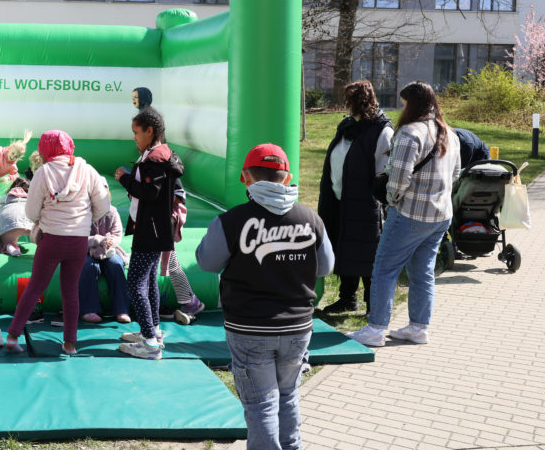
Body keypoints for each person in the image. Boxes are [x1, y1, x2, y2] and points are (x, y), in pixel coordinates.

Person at [196, 143, 334, 450]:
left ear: (245, 177)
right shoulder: (311, 219)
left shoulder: (230, 221)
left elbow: (206, 262)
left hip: (249, 328)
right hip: (297, 327)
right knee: (287, 396)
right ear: (288, 178)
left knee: (262, 405)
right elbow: (326, 266)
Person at [348, 81, 460, 347]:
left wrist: (390, 202)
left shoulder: (410, 133)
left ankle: (376, 329)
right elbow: (455, 174)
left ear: (412, 104)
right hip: (441, 215)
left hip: (410, 214)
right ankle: (419, 328)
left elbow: (398, 179)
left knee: (384, 269)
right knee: (423, 272)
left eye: (404, 103)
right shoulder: (450, 133)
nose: (401, 109)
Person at [5, 130, 110, 355]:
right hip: (78, 241)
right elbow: (103, 206)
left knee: (35, 287)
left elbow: (31, 212)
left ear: (46, 150)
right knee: (70, 290)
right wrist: (84, 219)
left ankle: (13, 336)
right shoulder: (87, 170)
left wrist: (46, 217)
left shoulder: (43, 172)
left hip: (51, 239)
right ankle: (70, 344)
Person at [318, 81, 393, 314]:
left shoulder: (382, 130)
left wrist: (375, 198)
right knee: (345, 248)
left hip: (366, 204)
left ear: (358, 101)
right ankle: (347, 298)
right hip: (339, 200)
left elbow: (384, 171)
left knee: (368, 254)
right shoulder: (347, 126)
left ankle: (373, 306)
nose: (345, 104)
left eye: (348, 100)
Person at [114, 107, 184, 359]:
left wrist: (125, 178)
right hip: (154, 228)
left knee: (135, 284)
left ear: (150, 131)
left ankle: (150, 344)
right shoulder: (160, 154)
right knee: (149, 281)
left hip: (151, 230)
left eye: (137, 132)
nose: (134, 137)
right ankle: (153, 331)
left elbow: (150, 192)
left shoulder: (155, 158)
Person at [160, 181, 206, 324]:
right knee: (169, 262)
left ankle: (190, 301)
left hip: (164, 220)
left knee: (168, 261)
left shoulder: (168, 171)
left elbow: (180, 196)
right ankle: (189, 301)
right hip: (158, 219)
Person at [78, 202, 131, 324]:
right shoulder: (81, 211)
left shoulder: (112, 211)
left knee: (116, 264)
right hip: (85, 250)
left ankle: (121, 309)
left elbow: (117, 234)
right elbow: (78, 237)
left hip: (108, 250)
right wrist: (98, 240)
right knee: (88, 265)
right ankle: (89, 310)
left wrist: (108, 243)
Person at [0, 177, 34, 256]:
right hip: (28, 222)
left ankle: (10, 246)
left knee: (6, 242)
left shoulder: (5, 201)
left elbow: (0, 218)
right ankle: (45, 246)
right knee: (40, 237)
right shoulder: (31, 200)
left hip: (8, 224)